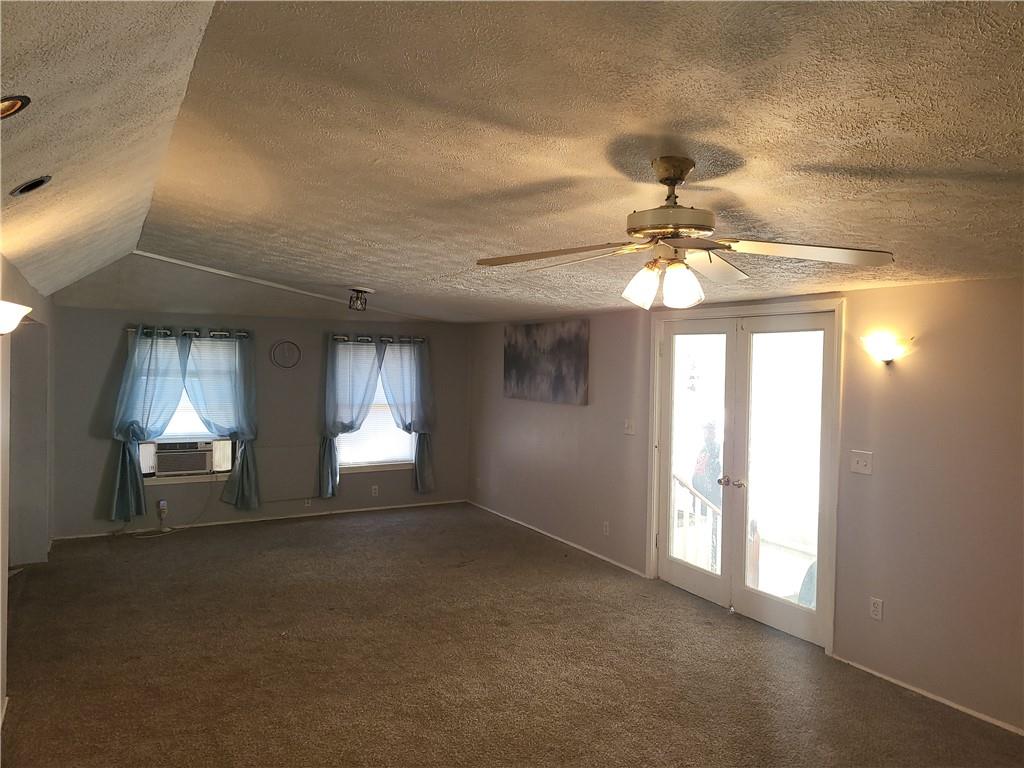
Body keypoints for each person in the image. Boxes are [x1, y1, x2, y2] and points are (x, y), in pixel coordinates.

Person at [692, 423, 723, 570]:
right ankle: (711, 564)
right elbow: (698, 473)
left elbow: (714, 473)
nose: (707, 435)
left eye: (710, 432)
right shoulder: (703, 450)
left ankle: (714, 565)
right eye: (705, 431)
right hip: (703, 495)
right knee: (708, 532)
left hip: (712, 497)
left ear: (714, 433)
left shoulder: (716, 449)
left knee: (714, 532)